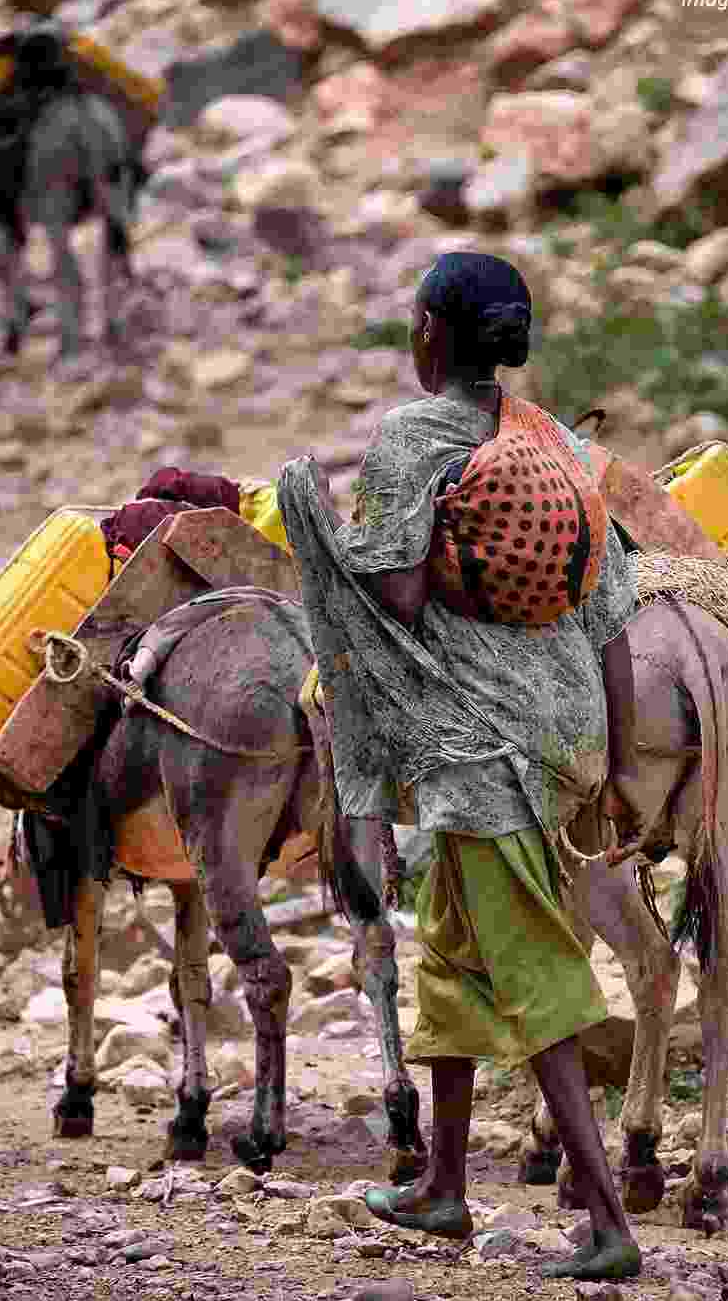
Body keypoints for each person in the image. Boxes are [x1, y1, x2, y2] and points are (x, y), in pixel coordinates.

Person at [278, 252, 643, 1281]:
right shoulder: (555, 441)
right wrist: (610, 758)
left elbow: (391, 599)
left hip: (478, 743)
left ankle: (609, 1220)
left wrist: (318, 535)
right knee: (449, 948)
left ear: (431, 334)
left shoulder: (409, 438)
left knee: (529, 972)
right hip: (561, 729)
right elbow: (613, 606)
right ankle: (442, 1185)